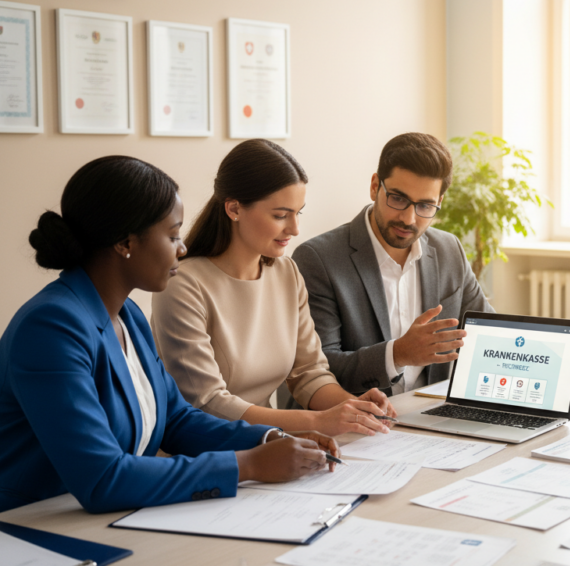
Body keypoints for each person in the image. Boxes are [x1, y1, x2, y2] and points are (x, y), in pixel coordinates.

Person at [0, 156, 337, 514]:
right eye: (173, 235)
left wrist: (270, 439)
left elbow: (176, 419)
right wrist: (249, 465)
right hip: (33, 527)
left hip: (105, 517)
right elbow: (101, 478)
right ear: (125, 242)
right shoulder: (52, 327)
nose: (183, 248)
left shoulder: (126, 314)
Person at [152, 139, 396, 439]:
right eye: (281, 215)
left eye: (298, 213)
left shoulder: (286, 273)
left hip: (274, 444)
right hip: (208, 451)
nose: (294, 229)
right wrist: (317, 423)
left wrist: (353, 407)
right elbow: (208, 402)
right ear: (233, 209)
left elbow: (309, 373)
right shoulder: (183, 284)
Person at [293, 132, 493, 396]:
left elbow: (488, 331)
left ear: (440, 202)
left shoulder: (449, 250)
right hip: (356, 422)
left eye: (425, 206)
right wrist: (397, 354)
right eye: (398, 199)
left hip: (431, 413)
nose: (409, 218)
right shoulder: (318, 259)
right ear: (375, 186)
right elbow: (318, 370)